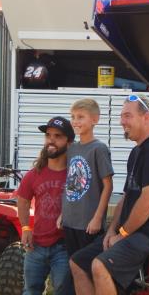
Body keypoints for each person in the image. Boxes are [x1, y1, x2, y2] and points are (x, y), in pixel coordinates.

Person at [69, 94, 149, 295]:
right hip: (133, 231)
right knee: (78, 262)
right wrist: (113, 230)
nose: (122, 121)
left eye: (128, 116)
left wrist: (123, 234)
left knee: (99, 265)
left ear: (146, 117)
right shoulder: (137, 151)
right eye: (122, 116)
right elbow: (126, 197)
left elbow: (148, 200)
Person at [17, 116, 75, 295]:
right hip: (36, 245)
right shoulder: (34, 174)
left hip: (64, 246)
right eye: (48, 135)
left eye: (58, 136)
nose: (51, 140)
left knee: (62, 291)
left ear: (69, 142)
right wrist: (26, 228)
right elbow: (23, 201)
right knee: (30, 290)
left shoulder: (75, 174)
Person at [60, 98, 114, 257]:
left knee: (85, 270)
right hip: (70, 221)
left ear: (94, 120)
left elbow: (108, 186)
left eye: (80, 117)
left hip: (89, 224)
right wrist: (63, 214)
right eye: (73, 116)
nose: (75, 121)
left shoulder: (99, 149)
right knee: (72, 267)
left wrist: (97, 218)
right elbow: (70, 183)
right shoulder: (72, 149)